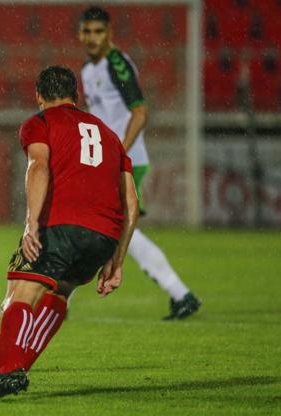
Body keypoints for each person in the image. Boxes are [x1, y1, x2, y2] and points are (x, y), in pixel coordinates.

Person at [0, 66, 139, 400]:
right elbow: (131, 202)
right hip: (102, 237)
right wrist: (117, 260)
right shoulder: (109, 134)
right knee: (58, 293)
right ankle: (15, 370)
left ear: (38, 96)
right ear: (76, 96)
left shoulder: (40, 123)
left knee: (20, 291)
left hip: (60, 225)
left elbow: (38, 166)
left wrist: (31, 223)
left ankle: (7, 372)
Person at [78, 6, 201, 320]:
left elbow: (140, 111)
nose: (92, 38)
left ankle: (181, 293)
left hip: (126, 160)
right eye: (87, 31)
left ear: (109, 33)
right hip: (109, 161)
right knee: (114, 230)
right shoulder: (88, 70)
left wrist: (120, 150)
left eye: (98, 31)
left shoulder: (116, 63)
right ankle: (180, 294)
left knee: (113, 228)